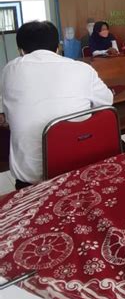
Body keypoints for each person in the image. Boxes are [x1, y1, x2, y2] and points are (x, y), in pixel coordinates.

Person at [0, 21, 113, 189]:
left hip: (32, 179)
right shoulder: (82, 69)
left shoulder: (9, 70)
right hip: (81, 167)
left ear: (21, 50)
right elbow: (107, 101)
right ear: (58, 47)